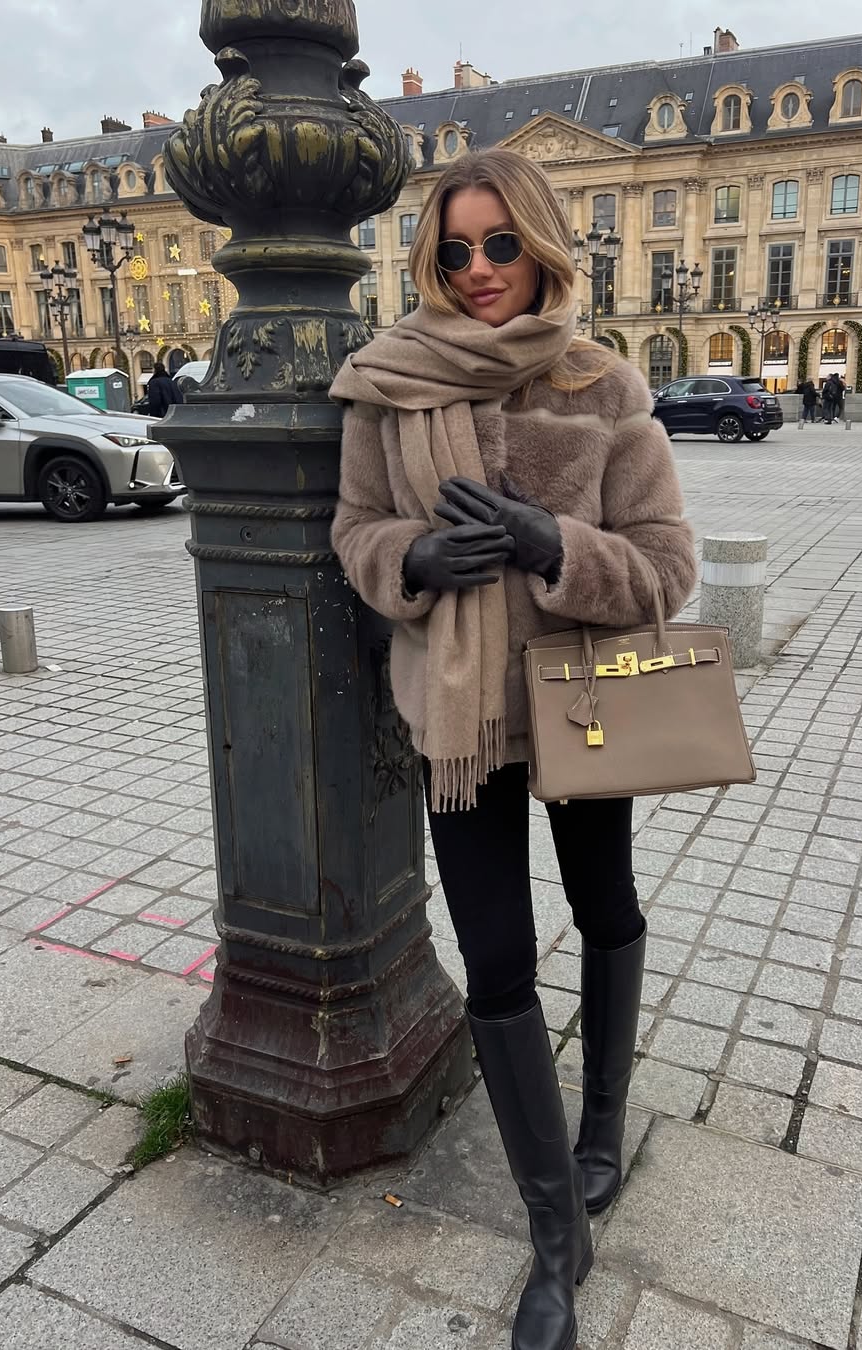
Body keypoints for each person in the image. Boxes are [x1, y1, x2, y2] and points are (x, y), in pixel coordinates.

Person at [331, 148, 696, 1350]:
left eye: (499, 244)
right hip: (457, 718)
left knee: (604, 903)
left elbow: (669, 571)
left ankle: (602, 1132)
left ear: (539, 244)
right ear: (429, 259)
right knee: (494, 958)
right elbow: (357, 528)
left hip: (583, 693)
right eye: (452, 249)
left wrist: (556, 545)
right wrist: (410, 564)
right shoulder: (384, 385)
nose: (478, 270)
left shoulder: (604, 386)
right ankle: (557, 1238)